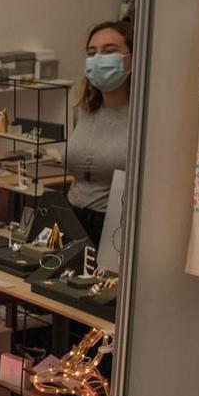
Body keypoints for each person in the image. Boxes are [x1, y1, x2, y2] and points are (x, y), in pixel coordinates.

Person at [67, 19, 134, 245]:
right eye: (92, 52)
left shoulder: (143, 117)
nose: (98, 59)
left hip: (115, 228)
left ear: (132, 58)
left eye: (109, 51)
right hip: (73, 221)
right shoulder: (85, 110)